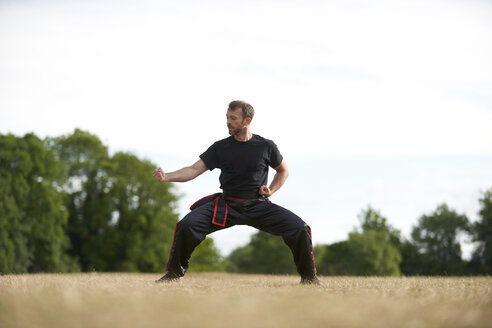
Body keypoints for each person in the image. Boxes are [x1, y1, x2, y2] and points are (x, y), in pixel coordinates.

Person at [152, 100, 320, 285]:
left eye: (233, 118)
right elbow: (193, 169)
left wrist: (271, 189)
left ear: (247, 120)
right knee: (187, 225)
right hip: (226, 206)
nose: (228, 122)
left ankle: (309, 278)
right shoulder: (220, 147)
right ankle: (174, 273)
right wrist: (166, 177)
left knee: (299, 228)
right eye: (227, 117)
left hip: (258, 205)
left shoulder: (266, 146)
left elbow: (283, 170)